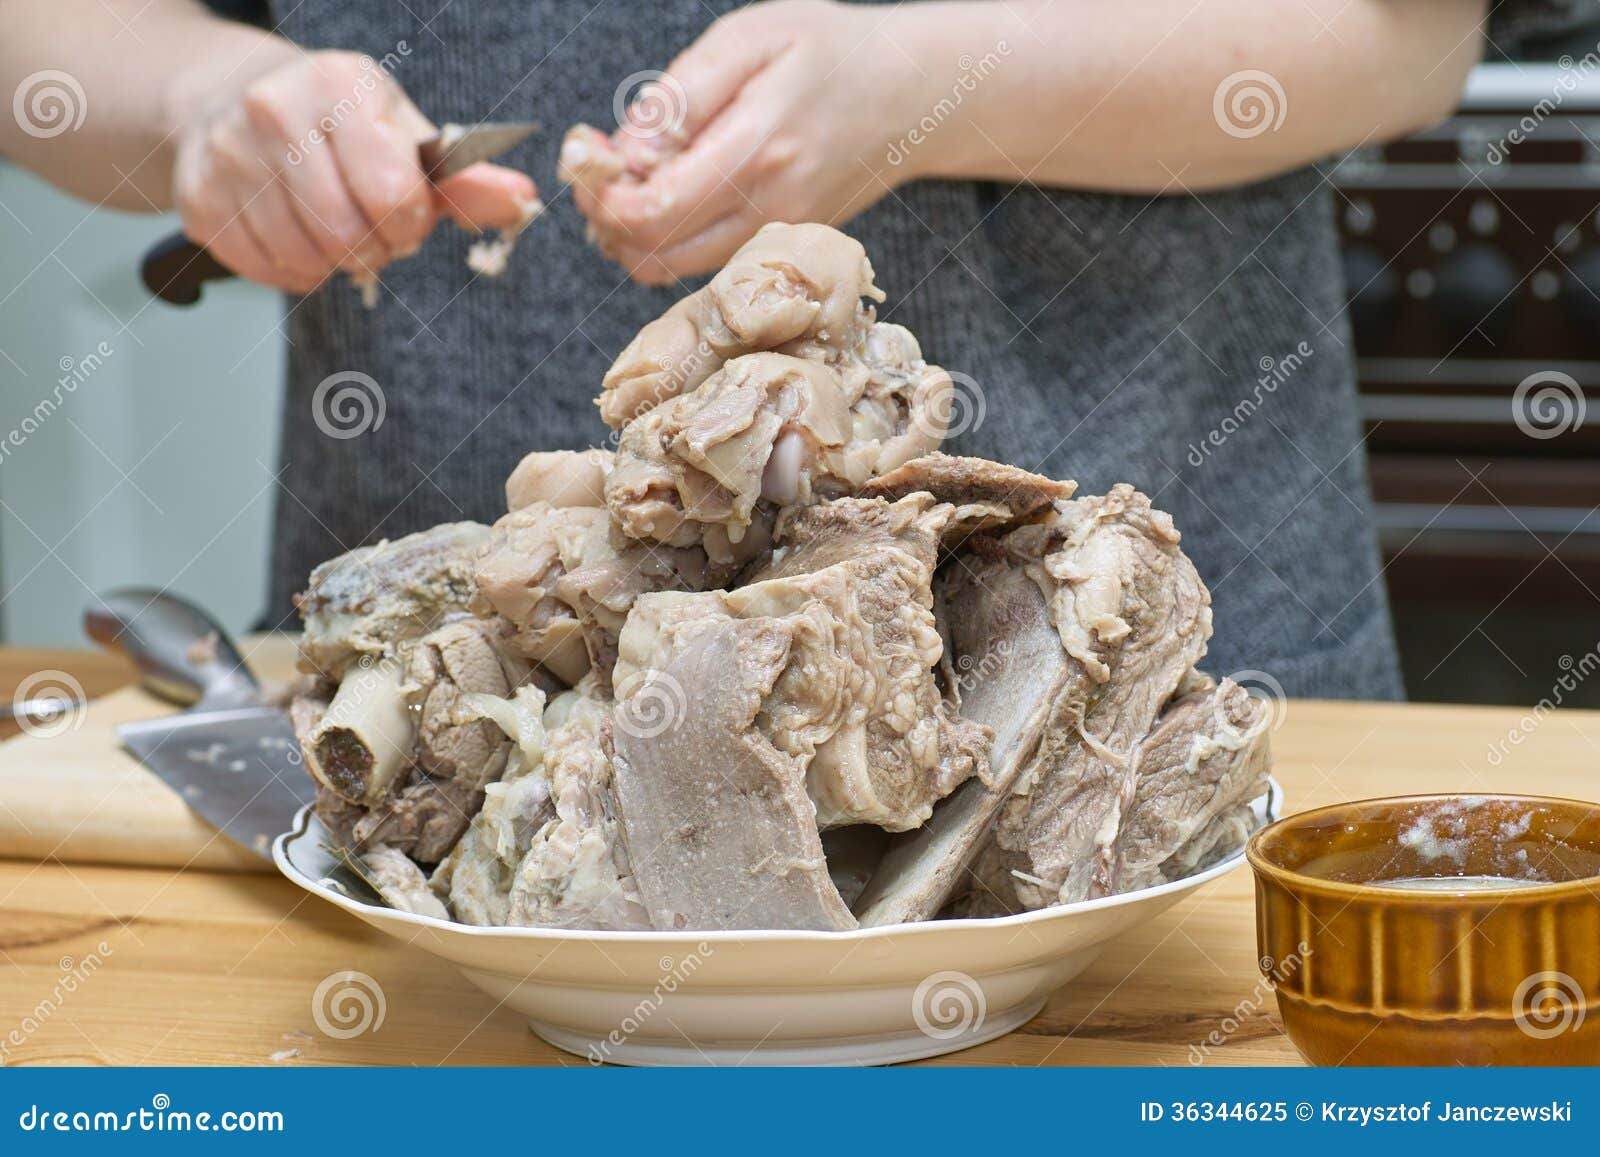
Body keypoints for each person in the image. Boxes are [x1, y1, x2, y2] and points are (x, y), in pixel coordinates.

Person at [2, 0, 1584, 697]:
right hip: (462, 683)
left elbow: (1408, 26)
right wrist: (204, 102)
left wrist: (928, 85)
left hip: (1115, 670)